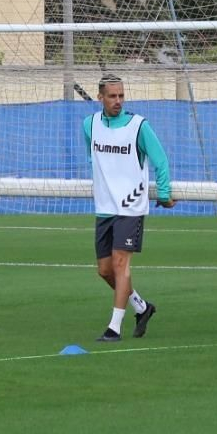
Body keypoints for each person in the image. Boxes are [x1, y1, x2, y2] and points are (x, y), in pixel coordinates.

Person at [84, 75, 174, 343]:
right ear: (100, 97)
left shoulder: (139, 126)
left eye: (121, 95)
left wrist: (165, 193)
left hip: (130, 206)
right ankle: (142, 308)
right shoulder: (89, 125)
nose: (118, 101)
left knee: (121, 264)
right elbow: (94, 160)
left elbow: (161, 161)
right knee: (104, 270)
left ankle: (114, 327)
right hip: (104, 207)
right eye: (112, 96)